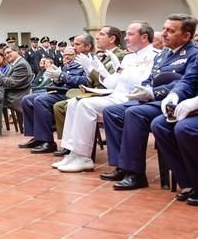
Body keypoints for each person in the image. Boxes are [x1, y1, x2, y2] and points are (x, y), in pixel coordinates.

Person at [101, 15, 198, 190]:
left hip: (175, 102)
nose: (165, 34)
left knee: (135, 113)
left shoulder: (193, 54)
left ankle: (135, 174)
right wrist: (143, 90)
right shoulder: (162, 55)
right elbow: (151, 79)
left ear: (186, 36)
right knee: (112, 111)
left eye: (171, 31)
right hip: (154, 100)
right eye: (165, 29)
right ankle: (121, 165)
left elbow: (186, 82)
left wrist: (154, 92)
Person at [55, 24, 156, 173]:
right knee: (73, 103)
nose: (126, 38)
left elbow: (141, 83)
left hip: (131, 98)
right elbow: (111, 82)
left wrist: (120, 69)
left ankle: (83, 157)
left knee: (85, 105)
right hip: (116, 95)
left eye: (130, 34)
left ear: (144, 37)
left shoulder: (154, 55)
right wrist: (95, 68)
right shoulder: (128, 57)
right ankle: (73, 153)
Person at [19, 46, 88, 154]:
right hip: (60, 90)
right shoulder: (66, 66)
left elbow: (83, 81)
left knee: (40, 100)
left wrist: (62, 75)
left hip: (72, 93)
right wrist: (56, 78)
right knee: (26, 100)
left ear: (76, 56)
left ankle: (48, 141)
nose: (67, 57)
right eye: (65, 55)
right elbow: (60, 82)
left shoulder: (82, 65)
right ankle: (37, 137)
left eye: (70, 55)